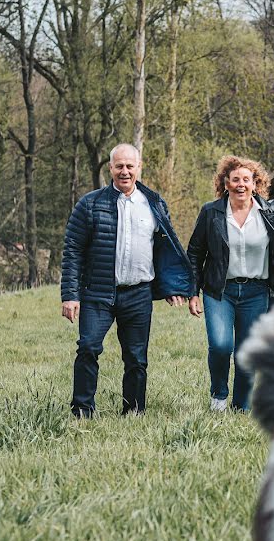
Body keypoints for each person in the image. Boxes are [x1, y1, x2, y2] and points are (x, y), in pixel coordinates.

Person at [61, 143, 193, 418]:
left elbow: (165, 250)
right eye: (119, 166)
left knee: (136, 358)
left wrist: (172, 287)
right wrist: (70, 295)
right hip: (97, 293)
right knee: (88, 348)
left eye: (129, 166)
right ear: (110, 168)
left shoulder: (154, 203)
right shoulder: (90, 203)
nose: (124, 171)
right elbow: (72, 250)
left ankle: (133, 411)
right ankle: (82, 410)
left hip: (139, 294)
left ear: (139, 167)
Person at [187, 155, 274, 412]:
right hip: (220, 291)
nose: (241, 184)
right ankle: (219, 395)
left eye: (247, 179)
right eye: (235, 180)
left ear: (255, 184)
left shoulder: (269, 213)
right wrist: (193, 292)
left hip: (257, 292)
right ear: (226, 183)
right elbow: (195, 253)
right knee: (221, 345)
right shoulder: (211, 212)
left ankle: (241, 405)